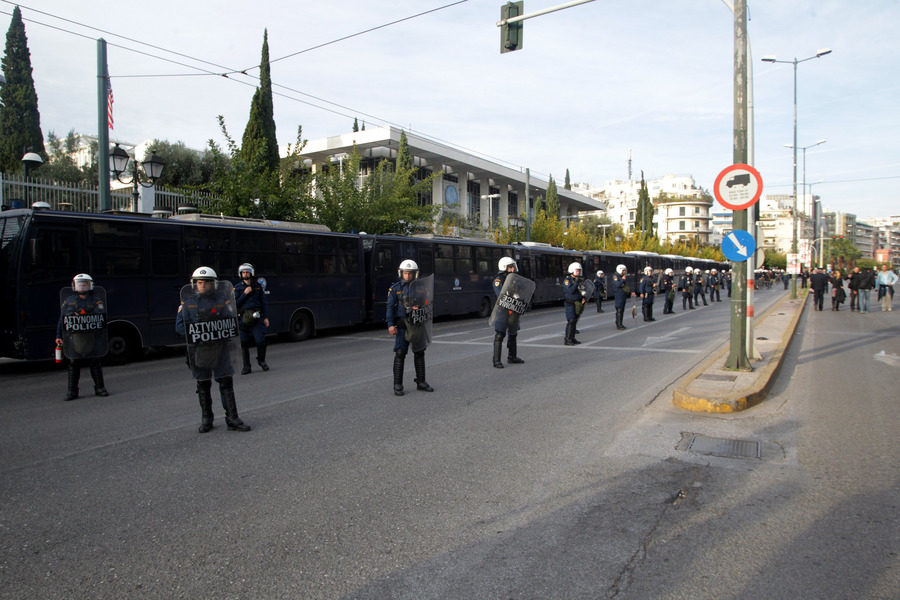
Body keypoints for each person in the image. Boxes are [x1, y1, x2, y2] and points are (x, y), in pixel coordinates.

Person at [176, 267, 251, 433]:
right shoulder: (187, 304)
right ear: (194, 284)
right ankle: (207, 419)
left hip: (221, 349)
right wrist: (200, 331)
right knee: (203, 384)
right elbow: (180, 327)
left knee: (225, 382)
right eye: (200, 282)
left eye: (207, 282)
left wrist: (218, 327)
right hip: (199, 351)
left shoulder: (223, 300)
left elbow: (233, 322)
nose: (203, 285)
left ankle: (232, 418)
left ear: (214, 284)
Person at [56, 273, 109, 401]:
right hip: (75, 336)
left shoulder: (96, 301)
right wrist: (58, 335)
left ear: (89, 285)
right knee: (74, 362)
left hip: (92, 336)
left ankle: (100, 388)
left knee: (95, 361)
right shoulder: (69, 301)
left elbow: (101, 317)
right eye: (80, 284)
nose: (82, 286)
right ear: (75, 286)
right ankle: (72, 391)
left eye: (84, 284)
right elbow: (62, 320)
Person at [386, 259, 434, 396]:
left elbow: (428, 303)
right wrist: (390, 325)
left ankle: (421, 382)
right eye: (405, 273)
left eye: (410, 273)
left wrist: (420, 307)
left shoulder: (421, 288)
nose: (407, 276)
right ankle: (398, 384)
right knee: (400, 353)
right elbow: (389, 307)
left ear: (415, 274)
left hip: (417, 323)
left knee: (419, 352)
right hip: (402, 325)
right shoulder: (395, 289)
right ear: (401, 273)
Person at [490, 257, 527, 367]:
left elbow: (523, 289)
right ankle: (496, 360)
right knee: (500, 334)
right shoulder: (499, 280)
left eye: (513, 267)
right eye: (510, 267)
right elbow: (500, 294)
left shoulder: (515, 279)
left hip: (513, 309)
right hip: (502, 310)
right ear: (504, 267)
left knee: (513, 333)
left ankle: (512, 356)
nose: (512, 269)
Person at [234, 263, 270, 374]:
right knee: (244, 342)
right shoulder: (237, 288)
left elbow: (263, 302)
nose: (245, 274)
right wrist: (245, 293)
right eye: (243, 272)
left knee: (261, 340)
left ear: (251, 273)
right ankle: (246, 366)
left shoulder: (257, 286)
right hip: (243, 317)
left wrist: (266, 317)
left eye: (247, 272)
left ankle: (261, 360)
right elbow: (235, 304)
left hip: (256, 317)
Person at [563, 262, 587, 345]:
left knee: (575, 320)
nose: (578, 272)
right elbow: (571, 291)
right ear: (572, 270)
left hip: (577, 303)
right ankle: (567, 339)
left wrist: (583, 297)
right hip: (570, 303)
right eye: (577, 270)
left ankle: (572, 338)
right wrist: (576, 282)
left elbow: (581, 290)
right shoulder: (567, 280)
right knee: (571, 320)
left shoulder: (578, 279)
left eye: (579, 270)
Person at [613, 263, 632, 330]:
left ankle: (620, 323)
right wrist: (622, 280)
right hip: (619, 295)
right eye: (623, 270)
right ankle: (618, 324)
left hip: (623, 295)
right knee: (619, 310)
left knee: (622, 310)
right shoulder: (616, 277)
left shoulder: (622, 277)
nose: (624, 272)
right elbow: (618, 284)